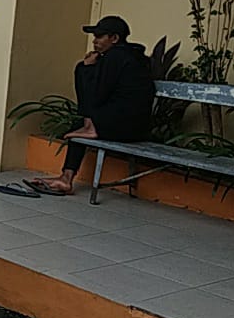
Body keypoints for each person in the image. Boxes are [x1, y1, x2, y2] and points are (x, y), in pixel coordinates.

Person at [29, 15, 155, 195]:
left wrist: (86, 68)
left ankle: (87, 136)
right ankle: (66, 178)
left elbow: (95, 96)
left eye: (100, 37)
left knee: (81, 126)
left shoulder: (116, 57)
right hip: (135, 126)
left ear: (115, 38)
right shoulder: (128, 56)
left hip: (122, 127)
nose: (95, 41)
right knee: (77, 127)